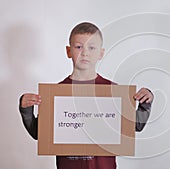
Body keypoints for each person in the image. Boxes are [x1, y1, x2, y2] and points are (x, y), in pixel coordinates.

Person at [19, 22, 154, 169]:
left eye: (91, 47)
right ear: (68, 51)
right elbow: (39, 133)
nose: (85, 53)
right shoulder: (56, 93)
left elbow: (135, 126)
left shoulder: (114, 92)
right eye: (78, 47)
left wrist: (145, 103)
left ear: (101, 53)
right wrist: (26, 110)